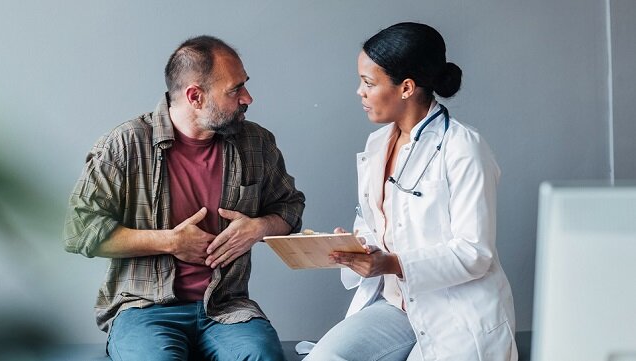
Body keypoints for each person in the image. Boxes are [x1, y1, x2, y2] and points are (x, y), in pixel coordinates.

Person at [64, 35, 305, 361]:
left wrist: (259, 227)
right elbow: (79, 231)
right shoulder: (124, 144)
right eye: (235, 89)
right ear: (195, 96)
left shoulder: (256, 142)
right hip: (143, 308)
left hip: (226, 306)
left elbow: (289, 206)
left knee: (262, 356)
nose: (248, 97)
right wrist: (170, 241)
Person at [305, 22, 517, 361]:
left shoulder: (463, 147)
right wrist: (358, 246)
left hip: (456, 312)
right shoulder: (377, 144)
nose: (359, 92)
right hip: (397, 305)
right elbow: (378, 223)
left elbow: (475, 252)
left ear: (406, 88)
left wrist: (391, 263)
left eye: (368, 83)